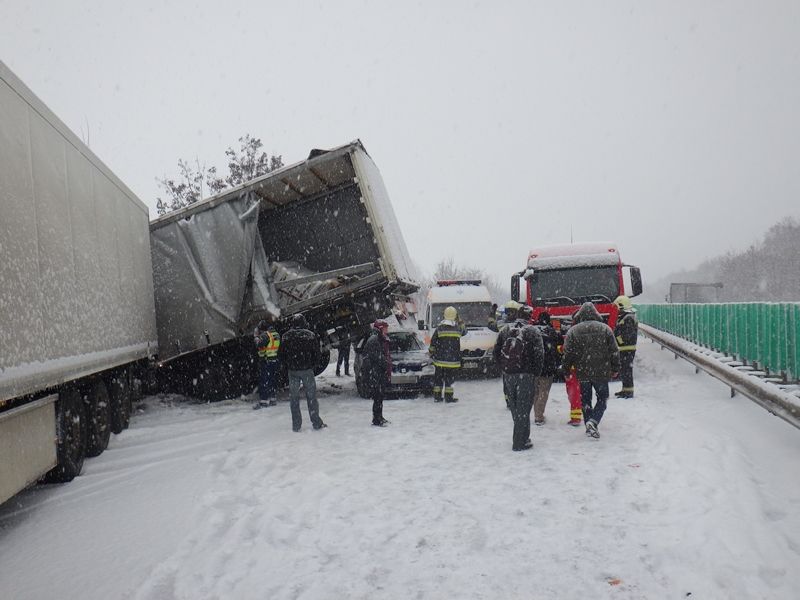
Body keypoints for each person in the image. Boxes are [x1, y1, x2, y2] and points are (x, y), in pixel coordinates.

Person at [561, 302, 620, 439]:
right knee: (602, 399)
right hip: (601, 372)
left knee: (586, 400)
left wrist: (566, 370)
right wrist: (615, 368)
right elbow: (614, 351)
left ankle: (589, 423)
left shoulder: (573, 331)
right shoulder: (605, 329)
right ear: (596, 314)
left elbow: (567, 353)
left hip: (583, 372)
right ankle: (593, 422)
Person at [493, 304, 544, 451]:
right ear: (530, 316)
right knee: (524, 408)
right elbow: (539, 355)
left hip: (509, 375)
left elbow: (496, 351)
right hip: (526, 375)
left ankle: (523, 437)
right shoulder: (533, 331)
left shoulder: (505, 330)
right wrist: (535, 373)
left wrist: (504, 368)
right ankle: (519, 442)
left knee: (516, 408)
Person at [278, 314, 327, 432]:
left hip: (293, 371)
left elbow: (281, 355)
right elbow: (316, 353)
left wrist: (288, 365)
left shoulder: (285, 337)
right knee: (311, 397)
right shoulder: (310, 335)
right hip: (307, 370)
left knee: (294, 399)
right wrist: (312, 365)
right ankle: (316, 422)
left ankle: (296, 425)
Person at [429, 305, 466, 403]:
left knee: (438, 380)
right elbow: (465, 332)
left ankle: (437, 397)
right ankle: (449, 398)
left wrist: (432, 353)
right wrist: (460, 321)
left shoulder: (439, 328)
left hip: (440, 361)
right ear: (455, 316)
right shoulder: (458, 328)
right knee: (450, 380)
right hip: (452, 361)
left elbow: (433, 342)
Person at [532, 311, 561, 425]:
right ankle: (539, 416)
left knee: (536, 392)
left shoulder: (533, 330)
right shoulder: (552, 332)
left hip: (534, 367)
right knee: (543, 392)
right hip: (547, 367)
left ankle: (536, 413)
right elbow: (558, 348)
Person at [361, 320, 392, 426]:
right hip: (375, 373)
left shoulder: (379, 339)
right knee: (378, 396)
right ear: (380, 328)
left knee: (380, 396)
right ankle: (376, 419)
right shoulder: (374, 340)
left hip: (378, 372)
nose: (387, 330)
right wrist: (385, 363)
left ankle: (379, 417)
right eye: (386, 328)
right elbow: (377, 357)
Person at [613, 295, 638, 398]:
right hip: (625, 349)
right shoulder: (626, 317)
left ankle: (629, 391)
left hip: (627, 349)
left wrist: (616, 337)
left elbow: (626, 336)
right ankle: (625, 389)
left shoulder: (628, 319)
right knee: (624, 370)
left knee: (627, 370)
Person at [253, 320, 280, 409]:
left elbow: (259, 345)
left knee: (264, 381)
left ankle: (263, 401)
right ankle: (273, 399)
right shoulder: (276, 334)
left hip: (266, 361)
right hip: (274, 360)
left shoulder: (266, 335)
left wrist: (256, 337)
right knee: (272, 380)